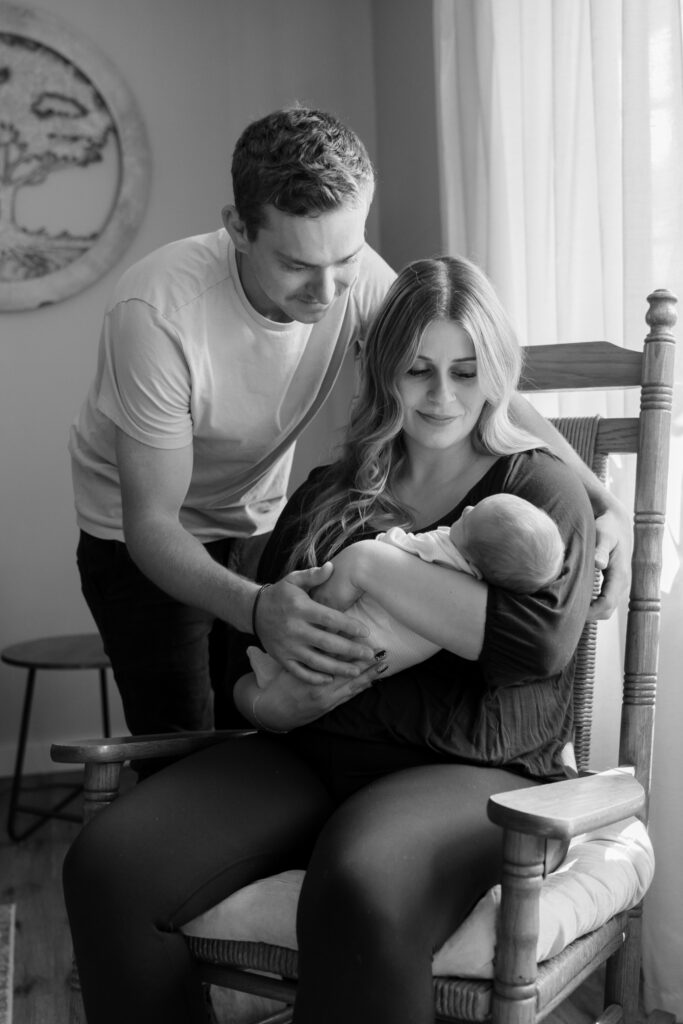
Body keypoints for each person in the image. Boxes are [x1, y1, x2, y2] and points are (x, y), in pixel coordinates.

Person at [64, 256, 598, 1024]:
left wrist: (370, 565)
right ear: (385, 374)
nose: (441, 396)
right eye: (417, 371)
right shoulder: (329, 489)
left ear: (495, 374)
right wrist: (275, 704)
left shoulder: (534, 489)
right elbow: (236, 676)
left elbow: (534, 645)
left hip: (466, 772)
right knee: (111, 865)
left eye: (464, 370)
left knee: (359, 886)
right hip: (302, 751)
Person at [69, 104, 629, 742]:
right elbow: (151, 524)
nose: (328, 290)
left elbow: (482, 389)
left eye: (346, 259)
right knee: (179, 749)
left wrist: (603, 497)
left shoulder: (349, 274)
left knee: (251, 732)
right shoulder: (158, 313)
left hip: (253, 516)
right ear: (238, 229)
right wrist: (255, 607)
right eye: (297, 266)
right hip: (143, 538)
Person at [243, 492, 565, 730]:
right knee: (332, 668)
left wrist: (380, 549)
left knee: (326, 637)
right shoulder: (476, 580)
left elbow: (392, 545)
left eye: (469, 518)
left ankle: (273, 669)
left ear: (475, 562)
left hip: (363, 630)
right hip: (380, 660)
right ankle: (274, 677)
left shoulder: (441, 551)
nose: (465, 508)